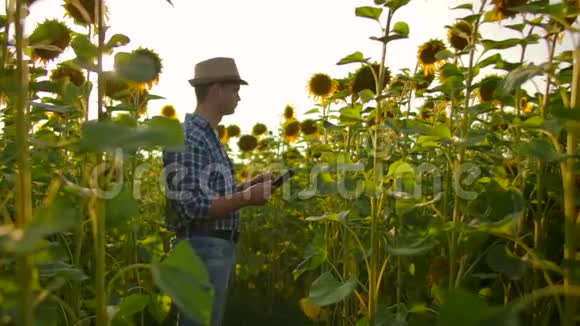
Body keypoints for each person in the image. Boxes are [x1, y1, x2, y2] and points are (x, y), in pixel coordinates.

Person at [162, 57, 280, 326]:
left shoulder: (208, 136)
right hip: (201, 247)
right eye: (234, 90)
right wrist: (248, 198)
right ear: (216, 90)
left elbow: (209, 195)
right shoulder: (189, 137)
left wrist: (247, 187)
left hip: (213, 247)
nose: (239, 97)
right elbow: (192, 206)